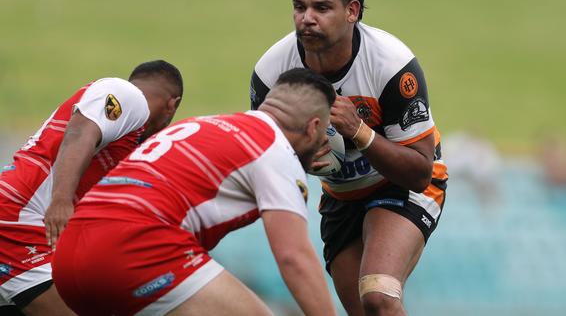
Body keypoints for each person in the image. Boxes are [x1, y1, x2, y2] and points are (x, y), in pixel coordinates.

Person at [249, 0, 448, 314]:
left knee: (379, 296)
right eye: (299, 6)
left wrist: (359, 131)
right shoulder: (271, 72)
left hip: (401, 186)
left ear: (352, 11)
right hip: (341, 196)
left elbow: (420, 173)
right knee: (360, 309)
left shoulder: (391, 64)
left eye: (322, 8)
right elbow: (262, 154)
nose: (307, 18)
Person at [52, 68, 338, 316]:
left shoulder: (202, 123)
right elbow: (294, 257)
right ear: (313, 128)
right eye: (325, 131)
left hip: (69, 258)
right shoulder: (275, 152)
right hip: (133, 252)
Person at [0, 60, 183, 316]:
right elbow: (79, 132)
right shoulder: (128, 96)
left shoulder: (123, 143)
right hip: (17, 222)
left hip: (27, 228)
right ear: (172, 105)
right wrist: (61, 200)